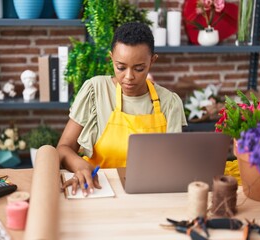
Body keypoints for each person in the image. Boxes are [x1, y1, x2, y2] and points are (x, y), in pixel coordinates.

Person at [57, 22, 187, 196]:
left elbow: (174, 162)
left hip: (151, 194)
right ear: (111, 58)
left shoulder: (169, 103)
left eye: (139, 69)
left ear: (152, 61)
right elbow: (63, 147)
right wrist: (80, 166)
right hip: (99, 190)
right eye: (120, 67)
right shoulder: (96, 90)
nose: (129, 77)